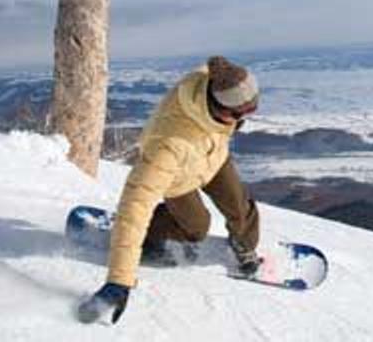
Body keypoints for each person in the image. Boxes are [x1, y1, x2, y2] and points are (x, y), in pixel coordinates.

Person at [78, 55, 262, 325]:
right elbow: (135, 206)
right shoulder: (168, 144)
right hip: (178, 178)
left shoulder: (217, 86)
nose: (240, 121)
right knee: (197, 227)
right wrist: (119, 280)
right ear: (214, 103)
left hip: (213, 157)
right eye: (236, 115)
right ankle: (152, 235)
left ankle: (243, 246)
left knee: (239, 207)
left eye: (250, 111)